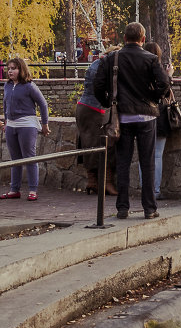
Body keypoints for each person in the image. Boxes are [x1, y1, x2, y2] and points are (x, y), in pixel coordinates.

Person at [94, 22, 171, 220]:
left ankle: (122, 208)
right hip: (146, 117)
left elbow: (98, 84)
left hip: (122, 118)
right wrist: (153, 98)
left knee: (123, 163)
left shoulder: (112, 58)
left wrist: (110, 102)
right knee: (148, 163)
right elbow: (164, 83)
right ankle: (149, 208)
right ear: (143, 39)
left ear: (124, 38)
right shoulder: (151, 58)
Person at [0, 57, 50, 201]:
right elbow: (5, 105)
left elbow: (43, 104)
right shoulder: (7, 86)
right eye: (8, 68)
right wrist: (6, 122)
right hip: (11, 125)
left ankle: (33, 190)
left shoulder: (29, 86)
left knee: (29, 158)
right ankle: (14, 189)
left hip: (27, 124)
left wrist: (45, 124)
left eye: (13, 68)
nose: (10, 71)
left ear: (21, 70)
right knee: (15, 159)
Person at [74, 50, 117, 196]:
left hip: (83, 106)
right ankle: (106, 182)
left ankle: (92, 182)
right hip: (95, 109)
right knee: (105, 144)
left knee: (87, 143)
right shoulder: (107, 67)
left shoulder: (95, 64)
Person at [144, 41, 174, 200]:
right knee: (157, 156)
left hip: (142, 114)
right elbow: (165, 92)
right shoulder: (159, 70)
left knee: (145, 154)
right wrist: (169, 76)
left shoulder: (140, 70)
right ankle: (155, 190)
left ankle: (145, 188)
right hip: (159, 115)